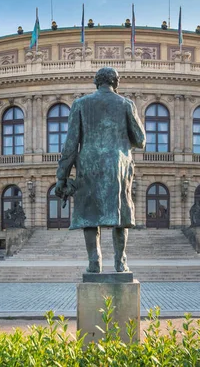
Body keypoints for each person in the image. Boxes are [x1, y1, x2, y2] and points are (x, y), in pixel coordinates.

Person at [55, 67, 146, 273]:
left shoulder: (80, 104)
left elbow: (70, 145)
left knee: (90, 214)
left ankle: (94, 261)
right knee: (120, 215)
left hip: (88, 165)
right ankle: (121, 262)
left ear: (96, 82)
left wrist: (62, 176)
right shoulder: (126, 104)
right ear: (116, 83)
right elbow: (140, 140)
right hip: (118, 165)